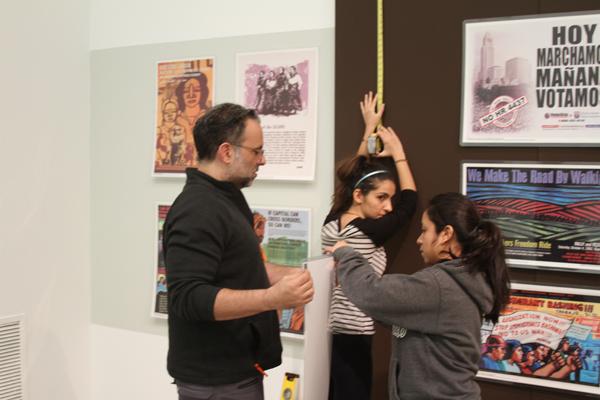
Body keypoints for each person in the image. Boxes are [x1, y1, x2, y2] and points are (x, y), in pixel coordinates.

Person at [163, 103, 314, 400]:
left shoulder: (228, 199)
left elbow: (244, 268)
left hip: (239, 372)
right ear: (227, 152)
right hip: (215, 382)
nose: (263, 160)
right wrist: (274, 298)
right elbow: (189, 297)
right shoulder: (196, 210)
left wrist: (296, 276)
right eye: (256, 151)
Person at [328, 192, 511, 400]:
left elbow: (372, 293)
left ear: (445, 234)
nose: (419, 239)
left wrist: (346, 254)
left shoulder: (440, 286)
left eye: (424, 231)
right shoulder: (460, 281)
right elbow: (392, 309)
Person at [321, 92, 417, 400]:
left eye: (389, 198)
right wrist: (399, 153)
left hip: (330, 329)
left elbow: (349, 182)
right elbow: (410, 202)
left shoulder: (332, 221)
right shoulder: (367, 232)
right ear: (360, 196)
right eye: (382, 198)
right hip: (354, 332)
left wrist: (368, 130)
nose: (389, 207)